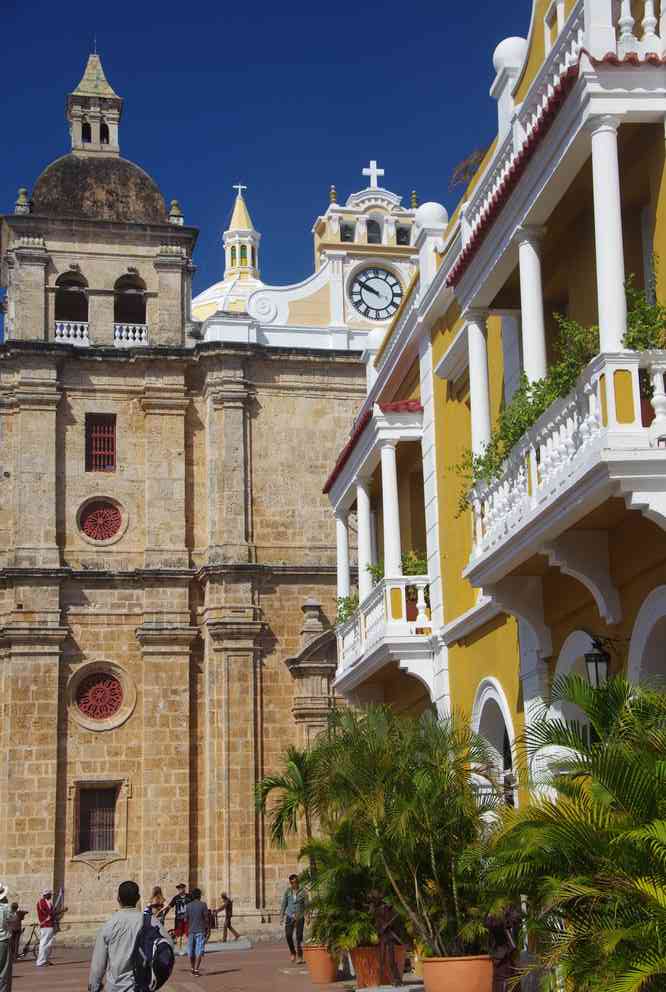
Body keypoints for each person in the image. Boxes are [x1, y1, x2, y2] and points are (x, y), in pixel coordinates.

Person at [88, 880, 172, 992]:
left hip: (115, 988)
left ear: (118, 899)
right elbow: (168, 947)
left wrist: (94, 986)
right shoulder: (151, 921)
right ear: (138, 898)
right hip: (141, 987)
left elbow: (98, 965)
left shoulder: (109, 925)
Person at [279, 873, 308, 964]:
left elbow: (307, 905)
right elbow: (284, 904)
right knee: (288, 935)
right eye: (292, 883)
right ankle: (292, 952)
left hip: (300, 916)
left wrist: (308, 916)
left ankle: (300, 956)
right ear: (290, 883)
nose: (294, 884)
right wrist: (281, 916)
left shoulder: (303, 892)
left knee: (299, 937)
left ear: (298, 882)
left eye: (295, 882)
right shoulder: (288, 892)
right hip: (289, 916)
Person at [36, 888, 66, 967]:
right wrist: (61, 911)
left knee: (48, 945)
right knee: (44, 944)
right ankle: (40, 961)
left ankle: (45, 960)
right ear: (46, 895)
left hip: (50, 925)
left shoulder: (49, 903)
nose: (51, 896)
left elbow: (53, 913)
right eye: (50, 895)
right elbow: (50, 914)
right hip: (45, 925)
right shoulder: (41, 902)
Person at [184, 888, 209, 978]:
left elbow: (185, 919)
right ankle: (196, 970)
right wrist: (207, 929)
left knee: (191, 951)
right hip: (200, 930)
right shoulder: (203, 905)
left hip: (191, 931)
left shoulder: (188, 906)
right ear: (199, 896)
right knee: (199, 950)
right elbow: (206, 918)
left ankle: (192, 968)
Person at [0, 882, 18, 992]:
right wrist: (13, 909)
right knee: (3, 971)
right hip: (3, 941)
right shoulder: (5, 908)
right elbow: (14, 918)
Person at [163, 884, 189, 953]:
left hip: (187, 919)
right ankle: (180, 949)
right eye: (178, 889)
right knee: (178, 934)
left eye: (181, 888)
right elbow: (169, 906)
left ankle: (188, 949)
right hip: (178, 919)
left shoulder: (189, 897)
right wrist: (164, 914)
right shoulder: (176, 898)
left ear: (184, 888)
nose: (179, 890)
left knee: (188, 934)